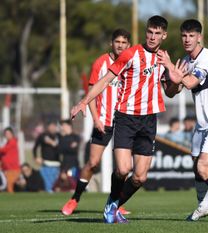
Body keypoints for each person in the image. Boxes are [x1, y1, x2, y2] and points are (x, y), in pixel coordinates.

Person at [70, 15, 182, 224]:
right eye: (150, 32)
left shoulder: (164, 58)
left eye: (157, 33)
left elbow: (171, 92)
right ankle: (112, 204)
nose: (152, 36)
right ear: (146, 31)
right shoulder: (131, 54)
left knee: (140, 177)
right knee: (123, 169)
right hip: (125, 118)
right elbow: (105, 80)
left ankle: (113, 205)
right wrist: (84, 101)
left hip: (149, 120)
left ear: (164, 36)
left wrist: (175, 79)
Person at [158, 19, 208, 223]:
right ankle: (203, 207)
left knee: (204, 167)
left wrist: (171, 68)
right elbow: (172, 92)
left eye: (191, 35)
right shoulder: (185, 61)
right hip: (203, 124)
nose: (187, 39)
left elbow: (191, 82)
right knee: (196, 167)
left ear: (199, 37)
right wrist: (168, 76)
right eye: (184, 35)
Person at [61, 28, 131, 216]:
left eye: (124, 43)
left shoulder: (130, 63)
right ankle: (74, 198)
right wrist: (96, 118)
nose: (120, 45)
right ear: (111, 43)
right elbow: (91, 93)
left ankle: (115, 202)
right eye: (117, 42)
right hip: (104, 120)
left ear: (128, 45)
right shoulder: (101, 63)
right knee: (92, 163)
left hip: (124, 122)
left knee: (122, 168)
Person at [33, 121, 60, 193]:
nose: (52, 128)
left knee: (56, 182)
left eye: (54, 126)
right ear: (48, 127)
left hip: (57, 163)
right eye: (51, 126)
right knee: (47, 182)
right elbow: (35, 147)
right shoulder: (42, 135)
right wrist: (36, 157)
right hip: (46, 163)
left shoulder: (59, 136)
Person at [0, 127, 21, 193]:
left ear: (12, 134)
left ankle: (12, 199)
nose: (7, 135)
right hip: (7, 169)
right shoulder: (7, 143)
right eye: (6, 134)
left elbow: (4, 150)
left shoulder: (13, 141)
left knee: (9, 185)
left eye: (8, 133)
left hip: (13, 169)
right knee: (7, 185)